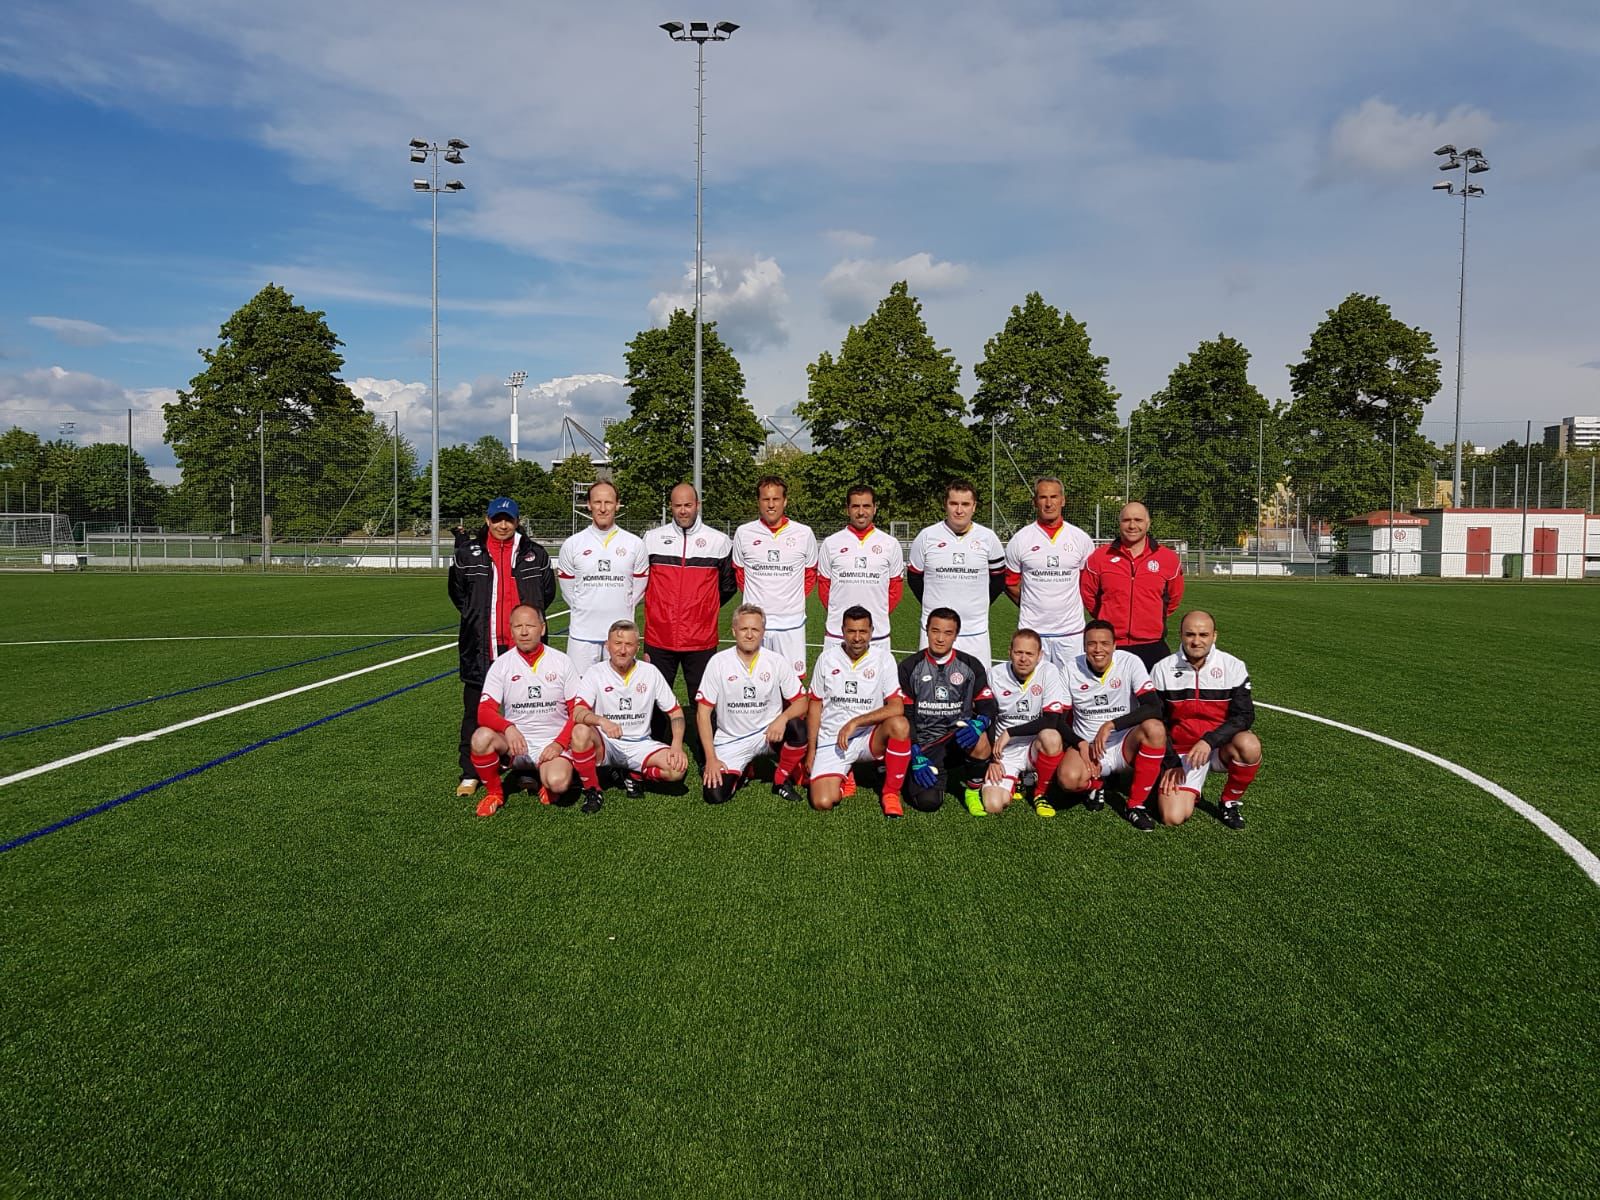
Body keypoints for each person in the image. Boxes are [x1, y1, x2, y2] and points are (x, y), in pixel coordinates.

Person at [448, 495, 556, 798]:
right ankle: (471, 772)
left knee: (529, 711)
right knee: (474, 711)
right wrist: (478, 621)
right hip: (481, 647)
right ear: (487, 520)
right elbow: (459, 595)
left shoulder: (535, 553)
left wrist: (526, 628)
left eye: (509, 519)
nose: (503, 525)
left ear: (517, 521)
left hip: (524, 650)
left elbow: (545, 594)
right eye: (497, 519)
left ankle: (526, 770)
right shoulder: (468, 554)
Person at [468, 604, 604, 817]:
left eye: (530, 626)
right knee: (480, 737)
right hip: (516, 745)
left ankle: (547, 780)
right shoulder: (502, 665)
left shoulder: (561, 661)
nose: (523, 632)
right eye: (517, 626)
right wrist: (509, 728)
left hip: (552, 745)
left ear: (542, 628)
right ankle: (495, 793)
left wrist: (559, 743)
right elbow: (484, 712)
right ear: (511, 629)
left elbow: (577, 711)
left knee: (558, 783)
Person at [1152, 610, 1262, 830]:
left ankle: (1229, 802)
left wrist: (1209, 741)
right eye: (1190, 634)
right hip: (1182, 753)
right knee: (1172, 817)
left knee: (1249, 745)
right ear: (1181, 635)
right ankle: (1190, 788)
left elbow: (1245, 715)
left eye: (1203, 635)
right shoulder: (1162, 669)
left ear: (1214, 636)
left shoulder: (1233, 666)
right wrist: (1171, 761)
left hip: (1217, 747)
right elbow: (1157, 721)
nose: (1196, 641)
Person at [642, 482, 737, 728]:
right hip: (659, 638)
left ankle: (709, 758)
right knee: (654, 702)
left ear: (697, 505)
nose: (683, 511)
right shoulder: (651, 539)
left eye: (688, 505)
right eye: (677, 506)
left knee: (704, 702)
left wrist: (703, 610)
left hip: (700, 639)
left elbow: (728, 587)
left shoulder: (719, 541)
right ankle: (654, 755)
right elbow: (640, 582)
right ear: (670, 507)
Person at [695, 604, 810, 805]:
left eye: (755, 629)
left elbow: (802, 701)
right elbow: (703, 713)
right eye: (744, 629)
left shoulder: (776, 661)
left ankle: (780, 780)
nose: (749, 635)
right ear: (734, 631)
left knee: (798, 727)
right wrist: (711, 759)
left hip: (768, 734)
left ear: (763, 632)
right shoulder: (718, 662)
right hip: (732, 740)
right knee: (715, 795)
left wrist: (782, 719)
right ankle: (745, 768)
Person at [1061, 619, 1169, 831]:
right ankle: (1097, 784)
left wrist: (1111, 724)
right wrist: (1080, 743)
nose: (1098, 649)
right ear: (1084, 646)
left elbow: (1153, 707)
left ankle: (1135, 805)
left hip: (1124, 744)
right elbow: (1058, 719)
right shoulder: (1070, 668)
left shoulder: (1130, 662)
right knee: (1068, 780)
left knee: (1155, 728)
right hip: (1089, 747)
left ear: (1114, 645)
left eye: (1104, 643)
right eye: (1092, 644)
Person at [805, 606, 912, 816]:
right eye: (851, 631)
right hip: (833, 740)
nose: (857, 638)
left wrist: (856, 722)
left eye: (863, 631)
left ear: (871, 631)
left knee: (900, 724)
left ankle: (890, 793)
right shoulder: (827, 659)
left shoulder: (884, 658)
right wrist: (811, 750)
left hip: (868, 737)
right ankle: (846, 773)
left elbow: (897, 706)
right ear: (842, 631)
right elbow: (815, 704)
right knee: (823, 802)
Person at [573, 620, 688, 810]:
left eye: (629, 644)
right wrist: (602, 721)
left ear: (637, 647)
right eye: (617, 644)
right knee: (580, 732)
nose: (623, 650)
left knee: (677, 770)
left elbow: (675, 711)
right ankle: (592, 790)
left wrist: (676, 745)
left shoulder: (650, 672)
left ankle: (634, 774)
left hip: (640, 743)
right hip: (607, 743)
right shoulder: (595, 672)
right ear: (607, 646)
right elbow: (578, 712)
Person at [895, 608, 998, 815]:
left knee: (978, 735)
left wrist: (981, 722)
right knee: (928, 802)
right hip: (925, 745)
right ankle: (910, 770)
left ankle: (972, 790)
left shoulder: (970, 665)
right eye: (935, 631)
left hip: (958, 740)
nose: (940, 639)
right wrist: (914, 751)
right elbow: (905, 715)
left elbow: (988, 703)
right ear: (927, 631)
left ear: (956, 635)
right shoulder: (909, 667)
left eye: (948, 633)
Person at [907, 480, 1007, 663]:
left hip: (975, 632)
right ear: (946, 504)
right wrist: (935, 605)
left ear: (974, 507)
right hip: (936, 633)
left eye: (965, 504)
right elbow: (914, 578)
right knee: (929, 688)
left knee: (976, 688)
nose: (959, 510)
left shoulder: (988, 538)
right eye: (954, 503)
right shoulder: (927, 536)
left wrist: (979, 604)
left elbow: (999, 580)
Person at [731, 475, 818, 680]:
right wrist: (758, 602)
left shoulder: (804, 533)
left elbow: (810, 574)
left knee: (792, 683)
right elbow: (740, 573)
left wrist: (789, 600)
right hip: (755, 623)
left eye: (776, 499)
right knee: (752, 679)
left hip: (791, 623)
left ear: (785, 501)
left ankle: (791, 714)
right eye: (765, 499)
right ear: (758, 501)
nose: (771, 505)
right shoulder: (744, 533)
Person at [557, 480, 648, 676]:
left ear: (617, 504)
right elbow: (568, 590)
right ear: (588, 505)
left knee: (617, 694)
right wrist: (586, 606)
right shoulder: (573, 544)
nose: (603, 508)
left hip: (620, 635)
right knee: (580, 695)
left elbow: (639, 589)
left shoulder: (635, 544)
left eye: (608, 502)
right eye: (597, 502)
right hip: (582, 635)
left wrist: (621, 606)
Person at [1080, 502, 1185, 670]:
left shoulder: (1168, 559)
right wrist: (1107, 617)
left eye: (1138, 520)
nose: (1132, 525)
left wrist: (1151, 620)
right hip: (1111, 646)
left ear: (1148, 523)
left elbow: (1173, 599)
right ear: (1119, 523)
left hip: (1152, 645)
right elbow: (1089, 597)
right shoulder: (1099, 557)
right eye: (1126, 520)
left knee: (1153, 696)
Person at [1003, 476, 1095, 668]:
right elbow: (1010, 583)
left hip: (1071, 633)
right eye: (1043, 497)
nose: (1049, 503)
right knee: (1033, 689)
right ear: (1035, 502)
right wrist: (1030, 603)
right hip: (1033, 632)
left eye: (1054, 497)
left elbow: (1087, 585)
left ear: (1063, 500)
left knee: (1072, 689)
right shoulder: (1021, 539)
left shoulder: (1080, 538)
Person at [981, 629, 1074, 817]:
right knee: (993, 805)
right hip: (1004, 751)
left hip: (1035, 747)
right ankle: (1017, 780)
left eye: (1030, 654)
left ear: (1039, 655)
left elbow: (1052, 719)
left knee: (1052, 736)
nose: (1023, 659)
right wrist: (992, 759)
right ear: (1010, 652)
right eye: (1018, 652)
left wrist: (1011, 731)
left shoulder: (1049, 671)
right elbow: (988, 717)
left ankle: (1040, 793)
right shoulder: (995, 675)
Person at [817, 484, 904, 647]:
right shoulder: (831, 543)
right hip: (837, 634)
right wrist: (841, 615)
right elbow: (824, 587)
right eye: (855, 506)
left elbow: (895, 589)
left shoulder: (890, 544)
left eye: (866, 506)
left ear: (875, 508)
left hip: (877, 634)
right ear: (847, 509)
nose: (861, 512)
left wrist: (877, 613)